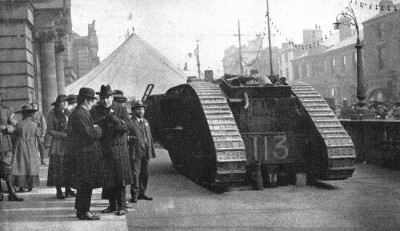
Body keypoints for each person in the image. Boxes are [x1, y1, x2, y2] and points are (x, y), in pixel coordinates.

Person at [91, 85, 132, 216]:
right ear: (100, 98)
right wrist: (104, 119)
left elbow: (127, 126)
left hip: (119, 149)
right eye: (103, 98)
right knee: (108, 179)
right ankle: (112, 205)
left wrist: (114, 119)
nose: (105, 101)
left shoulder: (120, 108)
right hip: (104, 149)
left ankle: (122, 206)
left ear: (112, 97)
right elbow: (92, 124)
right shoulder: (96, 110)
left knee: (120, 179)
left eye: (108, 98)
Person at [64, 87, 103, 220]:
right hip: (85, 155)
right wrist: (98, 130)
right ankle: (84, 211)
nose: (93, 103)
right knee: (86, 184)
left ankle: (82, 210)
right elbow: (88, 135)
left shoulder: (80, 113)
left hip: (84, 154)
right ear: (86, 100)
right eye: (92, 101)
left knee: (84, 184)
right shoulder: (81, 114)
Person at [46, 94, 76, 199]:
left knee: (68, 167)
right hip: (58, 144)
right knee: (58, 168)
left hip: (68, 144)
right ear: (58, 103)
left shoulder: (69, 113)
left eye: (66, 102)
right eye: (63, 102)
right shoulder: (52, 114)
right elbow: (49, 130)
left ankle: (68, 189)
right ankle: (59, 191)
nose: (65, 104)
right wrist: (62, 135)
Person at [127, 100, 156, 203]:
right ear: (134, 110)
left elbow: (149, 137)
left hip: (146, 152)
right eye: (138, 109)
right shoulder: (130, 123)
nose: (141, 111)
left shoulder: (146, 122)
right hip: (136, 152)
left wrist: (151, 150)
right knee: (135, 174)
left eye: (142, 109)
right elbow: (126, 136)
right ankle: (134, 195)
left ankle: (142, 193)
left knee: (145, 173)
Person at [10, 105, 41, 194]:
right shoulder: (35, 125)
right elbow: (38, 136)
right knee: (31, 164)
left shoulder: (19, 124)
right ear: (31, 114)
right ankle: (30, 185)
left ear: (23, 114)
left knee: (21, 164)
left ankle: (21, 186)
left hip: (20, 145)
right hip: (31, 145)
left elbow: (14, 136)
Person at [0, 94, 23, 202]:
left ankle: (12, 193)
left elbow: (14, 124)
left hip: (5, 144)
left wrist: (10, 128)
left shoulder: (5, 111)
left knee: (7, 169)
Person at [31, 101, 47, 165]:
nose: (34, 107)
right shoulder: (30, 114)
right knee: (32, 146)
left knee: (41, 146)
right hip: (32, 133)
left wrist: (43, 133)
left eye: (35, 105)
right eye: (32, 106)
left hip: (39, 132)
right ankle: (33, 160)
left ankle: (42, 159)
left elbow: (43, 124)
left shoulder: (40, 114)